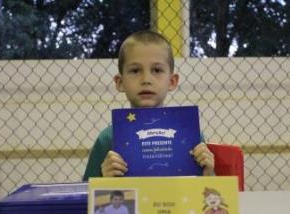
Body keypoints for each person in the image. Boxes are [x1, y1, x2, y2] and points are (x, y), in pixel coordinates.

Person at [83, 30, 214, 180]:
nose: (146, 79)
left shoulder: (193, 135)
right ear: (120, 82)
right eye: (135, 70)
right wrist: (104, 180)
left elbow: (209, 196)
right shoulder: (107, 139)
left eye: (157, 70)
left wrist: (209, 174)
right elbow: (86, 196)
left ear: (172, 82)